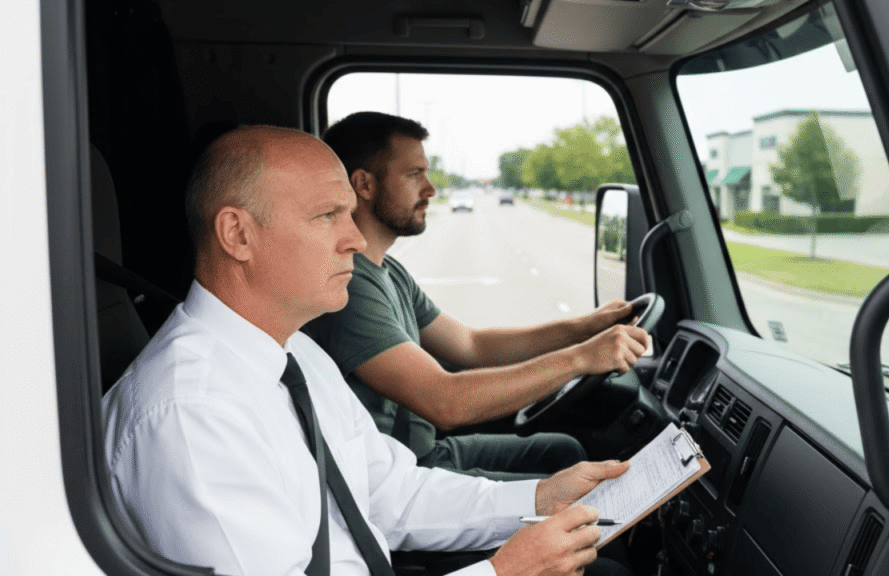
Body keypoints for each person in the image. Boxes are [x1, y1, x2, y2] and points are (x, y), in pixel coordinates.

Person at [103, 125, 631, 576]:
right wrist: (503, 571)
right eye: (329, 215)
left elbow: (392, 493)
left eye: (351, 215)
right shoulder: (191, 415)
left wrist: (540, 499)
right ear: (238, 234)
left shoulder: (297, 357)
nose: (355, 239)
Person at [303, 112, 649, 481]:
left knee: (564, 451)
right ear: (365, 185)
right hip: (401, 476)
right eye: (414, 174)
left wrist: (584, 328)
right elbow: (445, 402)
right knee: (583, 493)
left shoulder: (389, 272)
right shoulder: (349, 285)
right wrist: (583, 358)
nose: (431, 189)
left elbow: (471, 345)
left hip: (425, 450)